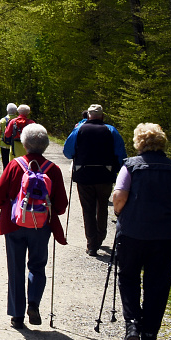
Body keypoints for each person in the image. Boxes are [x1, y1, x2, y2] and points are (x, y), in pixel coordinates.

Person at [113, 123, 171, 340]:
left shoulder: (130, 166)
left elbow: (119, 196)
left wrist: (120, 213)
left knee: (128, 277)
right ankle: (150, 337)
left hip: (132, 233)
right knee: (157, 285)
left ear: (139, 143)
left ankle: (132, 325)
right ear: (162, 142)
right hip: (164, 236)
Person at [0, 123, 68, 328]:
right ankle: (33, 303)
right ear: (45, 145)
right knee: (37, 266)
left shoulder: (14, 165)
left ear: (24, 144)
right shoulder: (53, 170)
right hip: (41, 226)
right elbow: (61, 206)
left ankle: (17, 316)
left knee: (15, 268)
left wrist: (6, 207)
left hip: (14, 224)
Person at [62, 104, 127, 256]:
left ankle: (92, 244)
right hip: (105, 175)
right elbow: (121, 154)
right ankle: (100, 237)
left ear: (88, 116)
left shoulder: (79, 129)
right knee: (102, 207)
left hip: (84, 175)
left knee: (88, 209)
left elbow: (67, 152)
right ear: (102, 116)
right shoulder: (111, 130)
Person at [0, 103, 19, 168]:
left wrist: (3, 137)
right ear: (16, 111)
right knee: (15, 162)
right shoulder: (18, 120)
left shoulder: (3, 120)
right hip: (15, 145)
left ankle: (6, 175)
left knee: (5, 162)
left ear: (7, 110)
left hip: (4, 144)